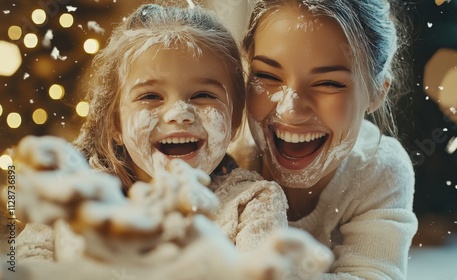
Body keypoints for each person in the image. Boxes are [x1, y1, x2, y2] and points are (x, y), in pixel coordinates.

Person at [14, 2, 294, 263]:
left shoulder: (253, 201)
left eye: (202, 95)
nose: (179, 113)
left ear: (234, 120)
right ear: (115, 124)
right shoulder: (73, 195)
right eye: (150, 96)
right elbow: (25, 267)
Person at [231, 0, 419, 279]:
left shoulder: (378, 170)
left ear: (377, 92)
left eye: (328, 83)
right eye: (267, 76)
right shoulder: (223, 154)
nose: (290, 110)